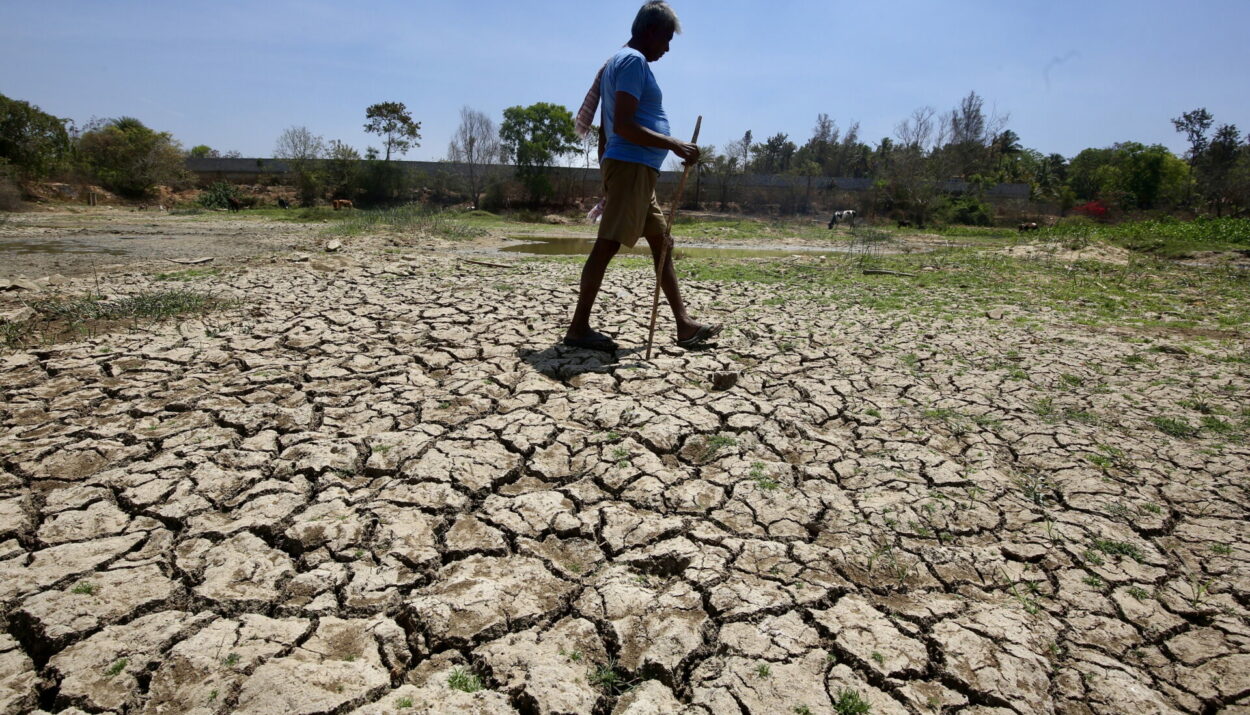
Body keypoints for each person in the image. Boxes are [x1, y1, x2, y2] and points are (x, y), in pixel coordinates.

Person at [563, 1, 721, 353]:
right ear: (648, 32)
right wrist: (675, 144)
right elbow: (623, 124)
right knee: (607, 245)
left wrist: (608, 167)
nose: (667, 47)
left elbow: (607, 126)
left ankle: (684, 325)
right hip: (631, 168)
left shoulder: (620, 62)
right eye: (665, 38)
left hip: (633, 170)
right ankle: (577, 328)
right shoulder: (632, 62)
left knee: (661, 243)